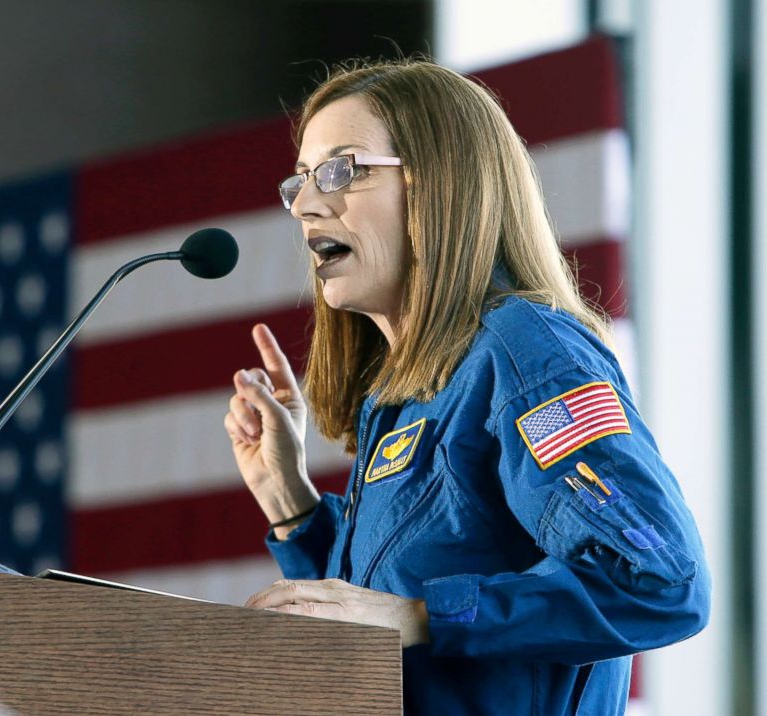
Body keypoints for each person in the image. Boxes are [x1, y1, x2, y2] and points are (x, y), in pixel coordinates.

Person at [223, 58, 711, 715]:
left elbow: (657, 581)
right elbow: (370, 632)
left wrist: (424, 616)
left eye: (341, 168)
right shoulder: (402, 399)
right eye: (302, 180)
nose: (308, 203)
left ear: (438, 183)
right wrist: (291, 504)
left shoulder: (526, 353)